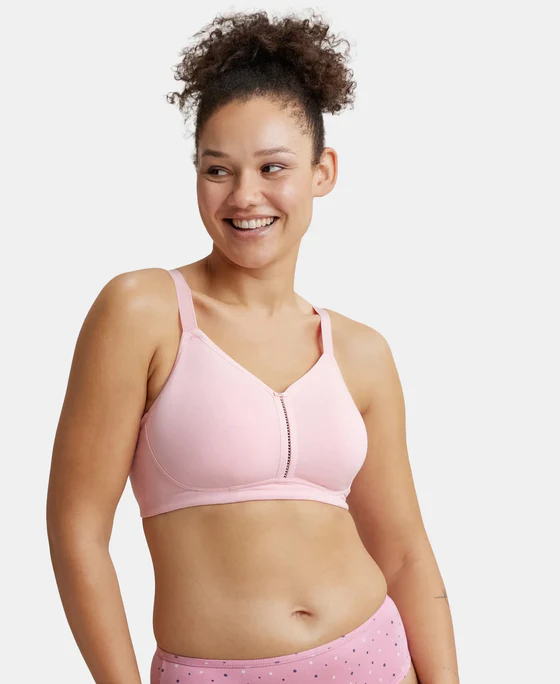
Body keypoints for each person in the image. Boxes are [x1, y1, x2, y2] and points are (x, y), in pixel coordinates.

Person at [46, 9, 460, 684]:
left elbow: (406, 554)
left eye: (273, 167)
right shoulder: (143, 311)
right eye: (218, 170)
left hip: (377, 658)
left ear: (323, 171)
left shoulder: (361, 353)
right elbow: (77, 530)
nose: (245, 196)